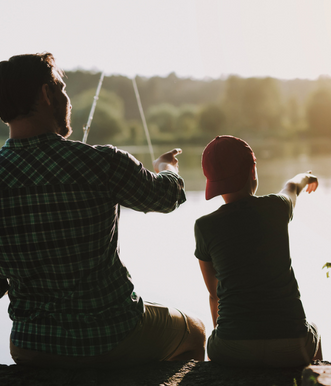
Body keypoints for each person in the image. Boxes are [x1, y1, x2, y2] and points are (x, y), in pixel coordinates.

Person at [0, 52, 205, 368]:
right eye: (62, 88)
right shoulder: (103, 161)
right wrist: (167, 167)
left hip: (30, 344)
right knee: (196, 332)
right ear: (46, 94)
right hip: (112, 336)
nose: (67, 98)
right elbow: (167, 197)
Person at [195, 135, 322, 367]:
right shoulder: (277, 207)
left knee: (210, 340)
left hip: (233, 347)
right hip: (292, 343)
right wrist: (307, 176)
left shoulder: (204, 226)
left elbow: (215, 295)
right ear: (253, 171)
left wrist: (228, 339)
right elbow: (292, 186)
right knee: (313, 330)